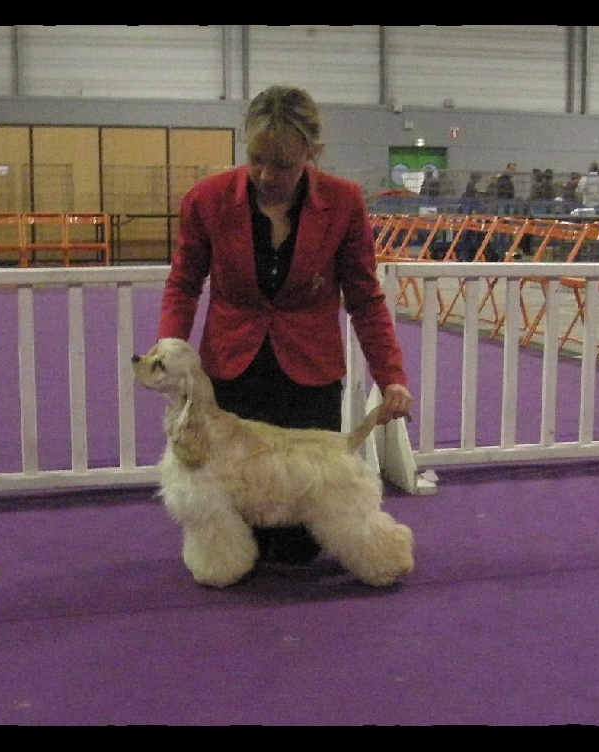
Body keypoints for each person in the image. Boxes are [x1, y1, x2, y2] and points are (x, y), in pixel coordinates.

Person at [157, 85, 413, 566]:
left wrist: (391, 376)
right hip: (232, 370)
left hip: (308, 372)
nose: (265, 175)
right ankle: (229, 556)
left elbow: (365, 298)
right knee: (230, 500)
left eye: (283, 164)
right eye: (256, 159)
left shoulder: (343, 201)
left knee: (298, 547)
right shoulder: (206, 200)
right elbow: (184, 283)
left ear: (312, 153)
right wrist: (169, 347)